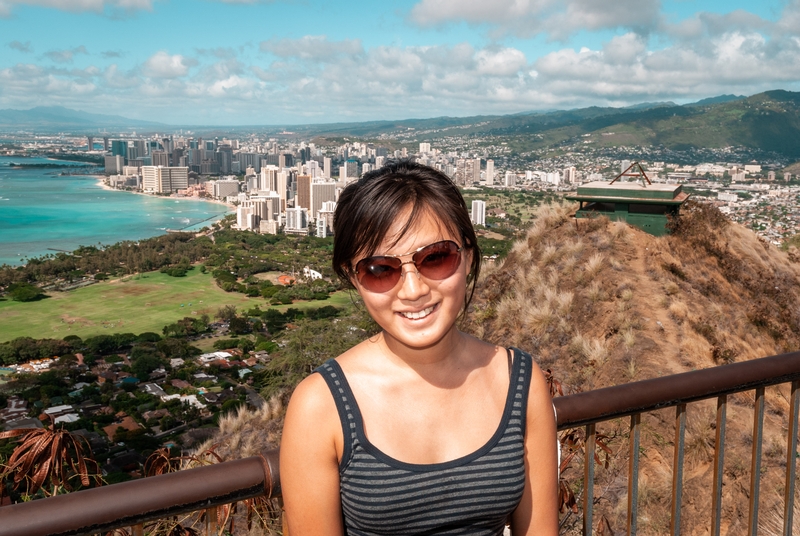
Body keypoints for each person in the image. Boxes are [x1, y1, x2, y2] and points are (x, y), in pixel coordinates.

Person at [280, 161, 558, 535]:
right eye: (380, 269)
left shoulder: (520, 382)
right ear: (353, 276)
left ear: (469, 257)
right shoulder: (321, 405)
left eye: (436, 257)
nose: (413, 291)